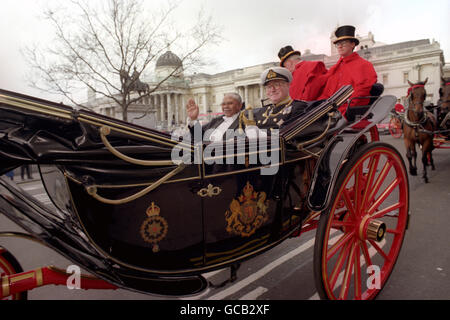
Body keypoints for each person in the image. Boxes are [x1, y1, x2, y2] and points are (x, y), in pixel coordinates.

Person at [318, 25, 377, 117]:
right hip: (331, 112)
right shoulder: (335, 68)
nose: (340, 46)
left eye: (344, 43)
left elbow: (362, 91)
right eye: (338, 44)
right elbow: (326, 93)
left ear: (352, 44)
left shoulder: (364, 65)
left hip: (349, 112)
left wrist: (344, 111)